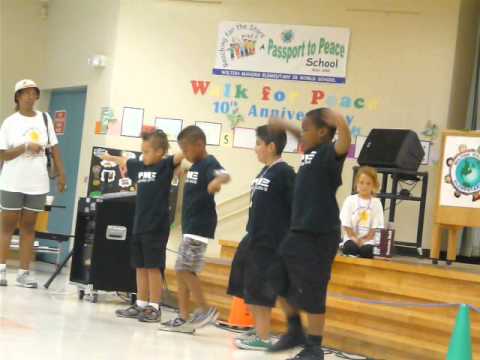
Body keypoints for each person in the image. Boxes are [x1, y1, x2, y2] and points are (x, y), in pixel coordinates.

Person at [268, 108, 351, 360]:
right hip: (299, 230)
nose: (301, 134)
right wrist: (286, 124)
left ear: (323, 132)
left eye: (306, 129)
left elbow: (344, 143)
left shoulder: (329, 154)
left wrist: (340, 120)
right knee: (275, 274)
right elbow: (303, 135)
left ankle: (314, 347)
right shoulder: (310, 151)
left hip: (320, 233)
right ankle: (295, 329)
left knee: (314, 289)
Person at [101, 130, 183, 323]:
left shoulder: (164, 166)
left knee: (153, 267)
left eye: (146, 152)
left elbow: (181, 154)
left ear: (160, 152)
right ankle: (141, 303)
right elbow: (123, 160)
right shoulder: (139, 166)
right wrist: (108, 157)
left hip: (156, 226)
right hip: (140, 224)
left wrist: (189, 143)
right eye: (142, 151)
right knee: (140, 266)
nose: (143, 156)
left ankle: (154, 307)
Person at [228, 125, 295, 351]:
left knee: (262, 291)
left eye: (258, 144)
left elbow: (293, 208)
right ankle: (258, 331)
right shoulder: (264, 171)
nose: (255, 148)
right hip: (254, 238)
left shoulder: (284, 173)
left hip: (272, 243)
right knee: (249, 287)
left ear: (271, 146)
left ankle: (264, 337)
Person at [160, 125, 230, 334]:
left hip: (200, 225)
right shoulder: (195, 166)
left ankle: (205, 310)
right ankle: (183, 316)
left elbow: (224, 175)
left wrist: (216, 182)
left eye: (187, 149)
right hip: (189, 225)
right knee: (182, 270)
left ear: (199, 144)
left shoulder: (209, 162)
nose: (186, 155)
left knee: (184, 268)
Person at [0, 79, 66, 288]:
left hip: (37, 183)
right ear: (17, 97)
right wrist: (25, 146)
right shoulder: (10, 122)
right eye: (25, 93)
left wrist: (62, 174)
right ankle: (1, 270)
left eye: (33, 93)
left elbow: (54, 149)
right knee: (7, 227)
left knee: (29, 228)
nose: (30, 96)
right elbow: (4, 155)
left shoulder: (45, 119)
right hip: (12, 183)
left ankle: (24, 272)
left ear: (37, 96)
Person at [340, 167, 384, 259]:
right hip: (351, 236)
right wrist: (354, 238)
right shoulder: (350, 200)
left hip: (369, 240)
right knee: (350, 248)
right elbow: (346, 223)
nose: (364, 186)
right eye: (361, 182)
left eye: (368, 184)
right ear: (356, 183)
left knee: (367, 251)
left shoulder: (376, 203)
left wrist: (365, 240)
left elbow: (375, 227)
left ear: (374, 185)